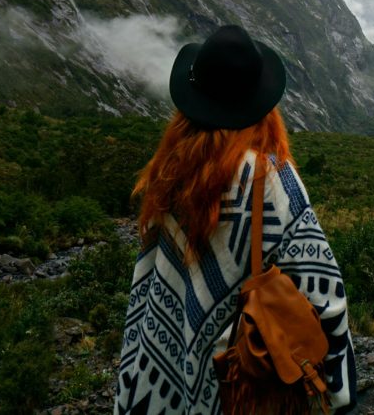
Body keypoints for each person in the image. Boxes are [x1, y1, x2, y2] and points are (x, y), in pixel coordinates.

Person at [116, 25, 356, 414]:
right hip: (241, 385)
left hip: (167, 378)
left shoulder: (168, 174)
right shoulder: (271, 180)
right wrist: (340, 392)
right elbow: (323, 293)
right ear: (261, 107)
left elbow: (149, 289)